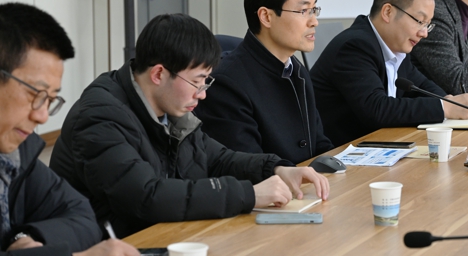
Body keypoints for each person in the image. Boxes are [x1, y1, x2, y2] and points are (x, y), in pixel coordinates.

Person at [50, 13, 329, 239]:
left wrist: (276, 169)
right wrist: (250, 194)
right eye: (197, 81)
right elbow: (148, 196)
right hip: (112, 253)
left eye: (206, 81)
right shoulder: (100, 117)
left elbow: (218, 159)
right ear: (159, 74)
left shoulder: (169, 105)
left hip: (167, 237)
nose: (202, 94)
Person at [0, 2, 139, 256]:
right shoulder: (103, 112)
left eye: (50, 100)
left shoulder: (16, 156)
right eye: (35, 94)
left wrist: (27, 239)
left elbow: (82, 215)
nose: (42, 116)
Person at [311, 0, 468, 147]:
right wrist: (445, 108)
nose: (424, 33)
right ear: (388, 12)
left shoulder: (396, 46)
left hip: (378, 146)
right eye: (419, 21)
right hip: (337, 154)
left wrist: (448, 100)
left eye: (428, 25)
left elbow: (421, 86)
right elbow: (377, 109)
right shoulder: (355, 46)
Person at [196, 0, 333, 164]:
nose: (314, 21)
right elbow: (249, 167)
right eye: (304, 11)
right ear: (266, 17)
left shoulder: (297, 71)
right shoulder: (227, 83)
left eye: (314, 9)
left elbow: (319, 144)